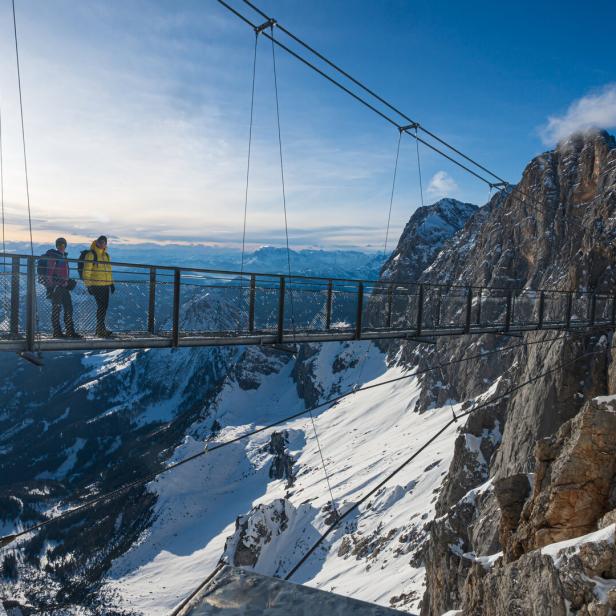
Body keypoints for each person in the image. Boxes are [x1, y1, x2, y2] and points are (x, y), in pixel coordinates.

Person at [44, 237, 80, 338]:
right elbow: (49, 274)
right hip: (57, 288)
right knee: (57, 310)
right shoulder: (54, 257)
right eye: (59, 245)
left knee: (68, 309)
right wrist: (55, 285)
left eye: (63, 245)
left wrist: (67, 282)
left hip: (63, 286)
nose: (61, 247)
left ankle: (69, 331)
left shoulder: (63, 256)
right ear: (56, 246)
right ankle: (57, 332)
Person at [83, 235, 115, 337]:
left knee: (104, 307)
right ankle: (100, 330)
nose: (102, 244)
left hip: (105, 285)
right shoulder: (91, 254)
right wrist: (88, 285)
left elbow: (108, 271)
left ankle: (100, 329)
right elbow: (86, 271)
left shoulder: (106, 255)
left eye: (104, 242)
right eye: (100, 242)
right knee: (101, 307)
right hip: (96, 284)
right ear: (96, 242)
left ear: (106, 244)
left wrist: (111, 283)